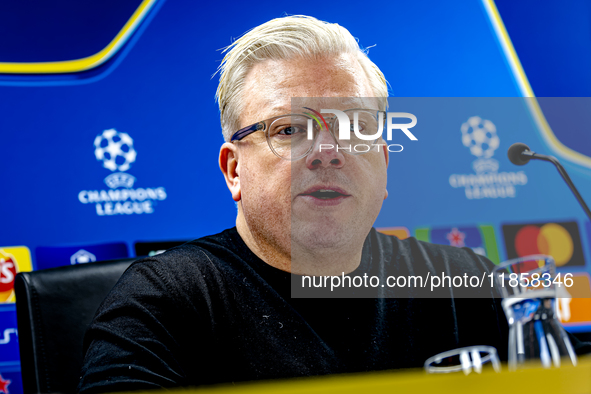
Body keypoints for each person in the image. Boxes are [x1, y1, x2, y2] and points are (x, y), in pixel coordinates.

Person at [77, 16, 587, 392]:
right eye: (290, 129)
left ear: (384, 163)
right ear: (235, 170)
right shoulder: (166, 303)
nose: (327, 151)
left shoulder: (467, 283)